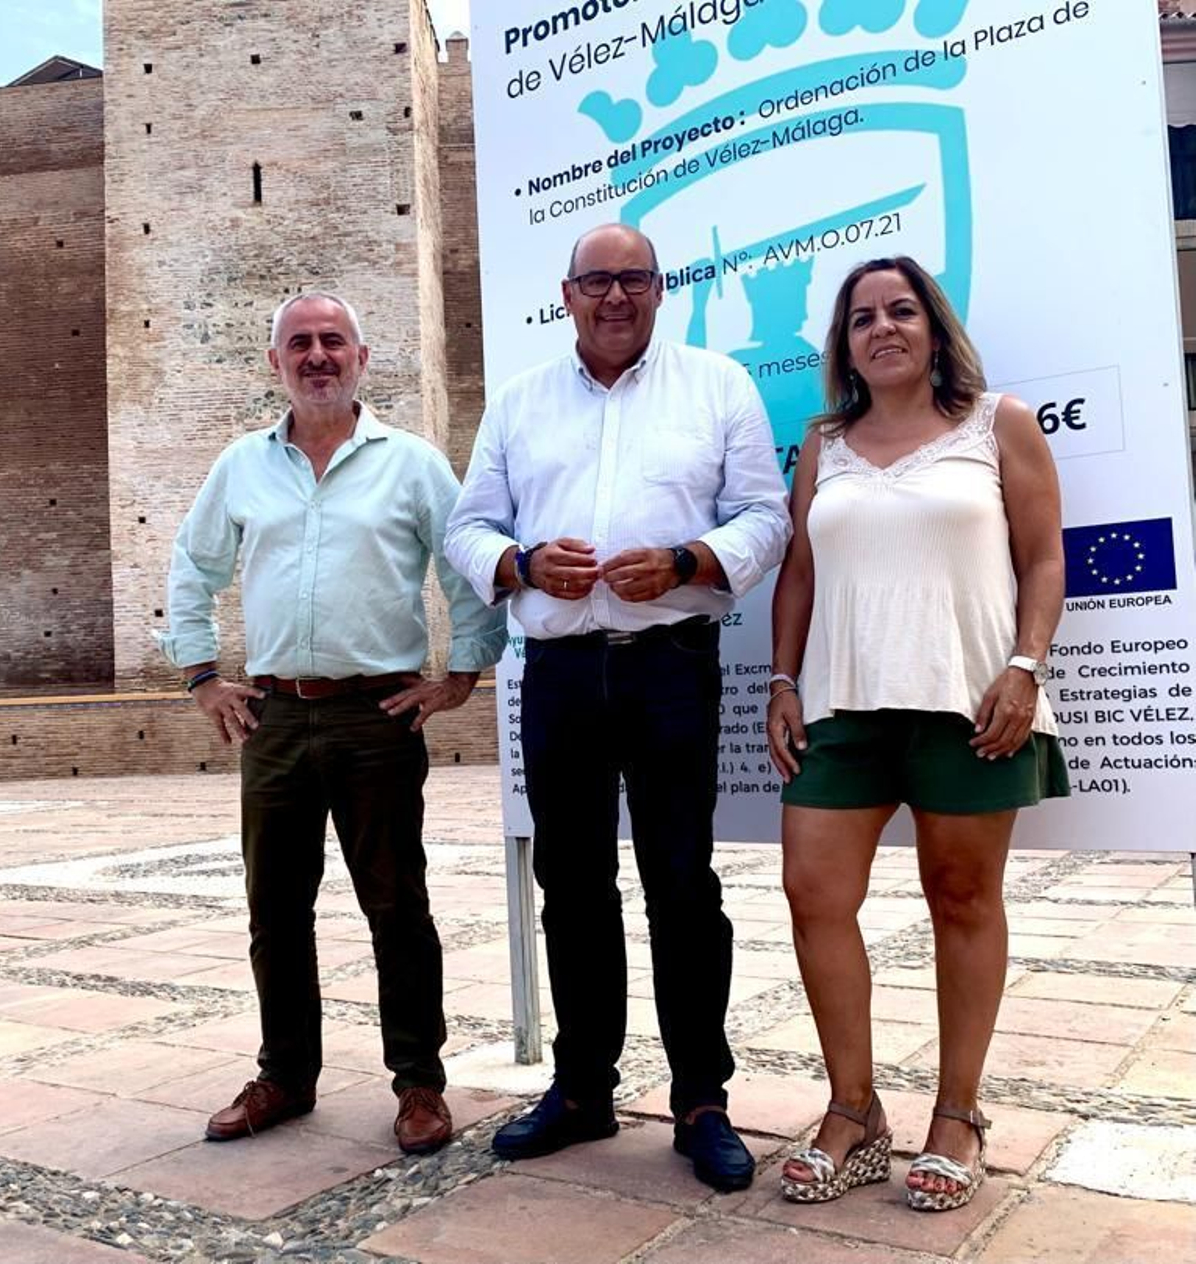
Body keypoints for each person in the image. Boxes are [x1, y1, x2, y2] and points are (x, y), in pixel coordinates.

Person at [445, 223, 791, 1191]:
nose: (614, 297)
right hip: (558, 673)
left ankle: (701, 1099)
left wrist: (687, 560)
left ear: (659, 289)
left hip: (670, 666)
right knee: (571, 884)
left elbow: (766, 516)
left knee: (682, 883)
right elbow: (467, 529)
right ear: (566, 295)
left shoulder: (716, 385)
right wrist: (519, 563)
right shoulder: (519, 402)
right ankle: (582, 1089)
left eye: (632, 279)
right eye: (595, 281)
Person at [160, 292, 506, 1155]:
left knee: (397, 904)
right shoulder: (242, 466)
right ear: (275, 362)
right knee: (275, 908)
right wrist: (202, 677)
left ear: (361, 357)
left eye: (332, 341)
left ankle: (419, 1082)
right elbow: (193, 566)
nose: (317, 356)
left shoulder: (412, 464)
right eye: (299, 344)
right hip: (274, 717)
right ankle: (285, 1074)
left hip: (375, 717)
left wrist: (463, 673)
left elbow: (464, 564)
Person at [768, 256, 1067, 1211]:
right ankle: (853, 1112)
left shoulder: (997, 423)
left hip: (968, 703)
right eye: (862, 318)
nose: (882, 328)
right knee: (814, 895)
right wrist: (782, 680)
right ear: (844, 344)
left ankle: (958, 1116)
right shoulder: (824, 442)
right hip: (841, 708)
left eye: (901, 310)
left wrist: (1025, 666)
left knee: (963, 901)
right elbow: (801, 572)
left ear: (935, 328)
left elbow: (1044, 557)